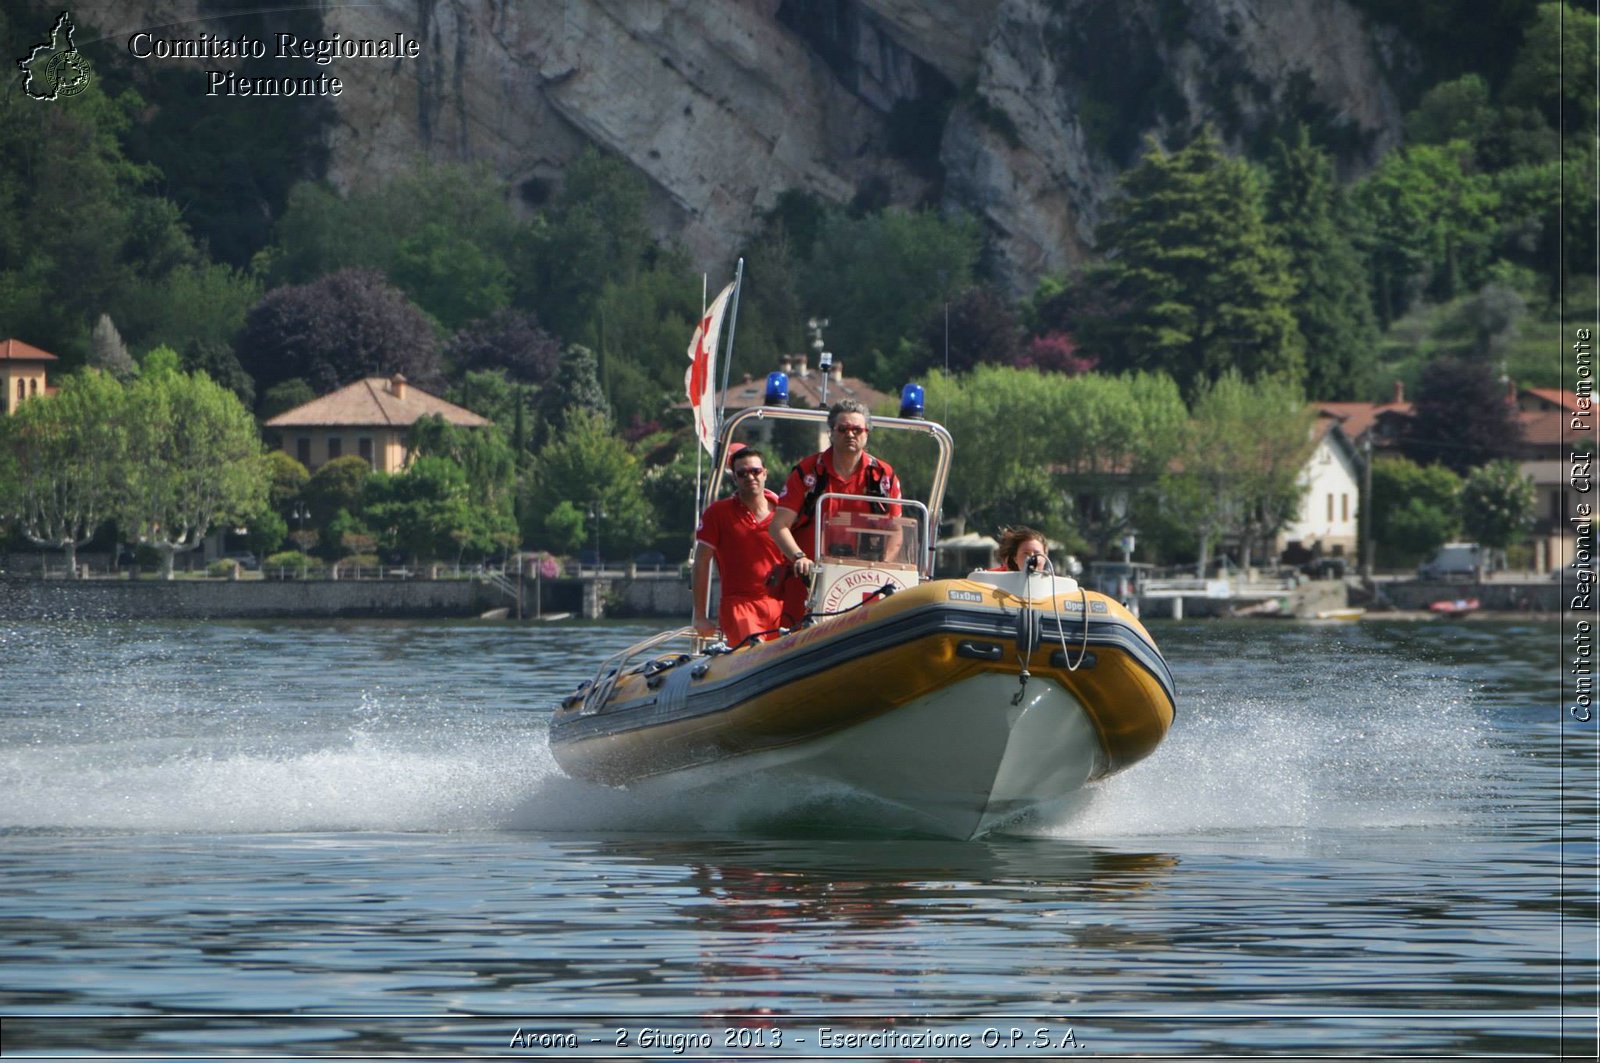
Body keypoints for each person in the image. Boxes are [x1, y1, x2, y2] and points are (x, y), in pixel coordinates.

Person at [770, 400, 902, 625]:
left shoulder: (883, 475)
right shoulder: (808, 471)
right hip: (808, 580)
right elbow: (778, 525)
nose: (850, 435)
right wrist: (799, 558)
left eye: (857, 430)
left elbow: (896, 528)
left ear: (866, 434)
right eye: (843, 429)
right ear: (831, 433)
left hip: (862, 581)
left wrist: (883, 569)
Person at [692, 446, 785, 645]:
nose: (750, 477)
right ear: (735, 478)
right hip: (740, 604)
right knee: (754, 652)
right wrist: (699, 615)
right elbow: (701, 561)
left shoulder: (785, 512)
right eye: (742, 473)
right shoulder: (718, 513)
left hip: (781, 602)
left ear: (765, 473)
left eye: (755, 471)